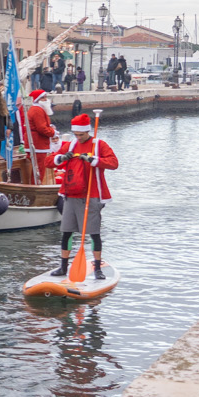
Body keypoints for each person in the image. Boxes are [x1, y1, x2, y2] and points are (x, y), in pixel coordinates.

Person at [52, 114, 118, 278]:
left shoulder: (99, 145)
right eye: (76, 134)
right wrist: (61, 158)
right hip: (71, 194)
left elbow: (114, 163)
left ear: (88, 131)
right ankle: (63, 267)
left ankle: (97, 269)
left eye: (81, 135)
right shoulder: (71, 145)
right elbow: (49, 161)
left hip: (92, 194)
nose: (78, 138)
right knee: (67, 232)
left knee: (94, 233)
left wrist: (94, 160)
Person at [24, 88, 59, 182]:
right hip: (37, 144)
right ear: (38, 100)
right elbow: (41, 128)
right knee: (39, 168)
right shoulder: (37, 110)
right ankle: (36, 186)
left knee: (38, 167)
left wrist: (50, 127)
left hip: (36, 142)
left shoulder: (36, 109)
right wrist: (53, 133)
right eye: (43, 98)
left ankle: (36, 184)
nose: (46, 100)